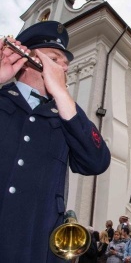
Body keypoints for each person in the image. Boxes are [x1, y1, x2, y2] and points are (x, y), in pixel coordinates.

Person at [0, 21, 111, 263]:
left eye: (66, 64)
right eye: (55, 59)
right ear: (30, 59)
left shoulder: (67, 113)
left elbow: (97, 162)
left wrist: (62, 94)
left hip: (37, 244)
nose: (64, 67)